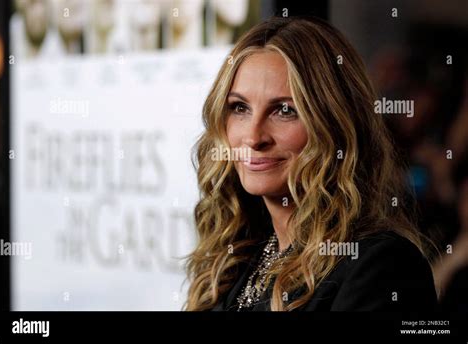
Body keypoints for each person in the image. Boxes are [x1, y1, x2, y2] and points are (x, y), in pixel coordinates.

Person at [185, 16, 438, 311]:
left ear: (333, 124)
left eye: (284, 111)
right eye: (240, 108)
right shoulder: (241, 256)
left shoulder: (383, 266)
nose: (253, 137)